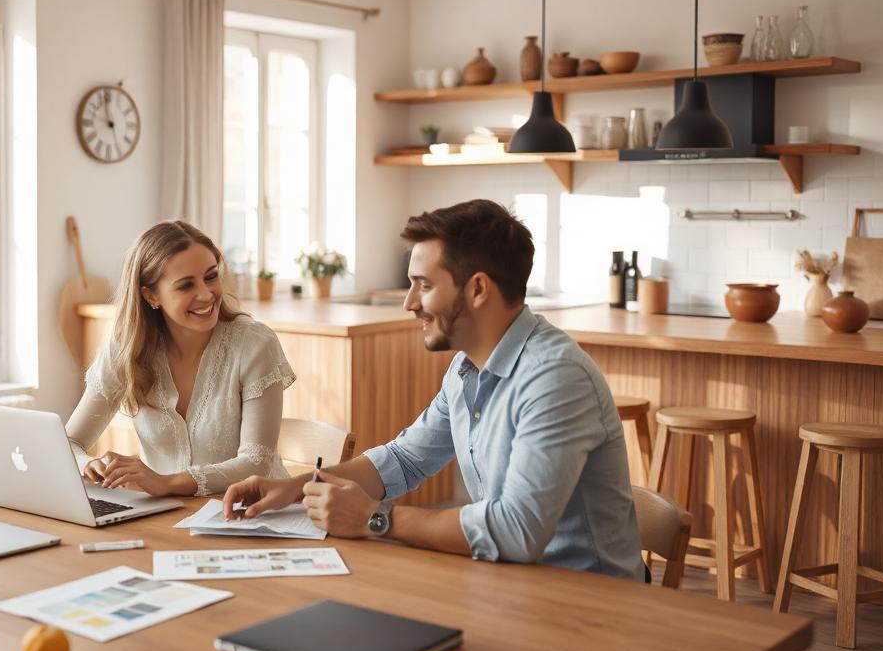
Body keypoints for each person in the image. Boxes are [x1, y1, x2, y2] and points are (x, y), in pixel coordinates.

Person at [223, 200, 645, 580]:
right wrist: (293, 488)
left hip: (590, 601)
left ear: (478, 289)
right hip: (512, 583)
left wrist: (375, 518)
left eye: (424, 285)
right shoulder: (465, 367)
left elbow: (518, 532)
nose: (409, 303)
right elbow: (405, 460)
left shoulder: (554, 378)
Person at [66, 220, 295, 497]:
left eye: (211, 276)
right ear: (151, 296)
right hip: (166, 518)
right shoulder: (126, 349)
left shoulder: (254, 344)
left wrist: (166, 483)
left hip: (254, 514)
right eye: (186, 286)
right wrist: (90, 464)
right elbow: (69, 442)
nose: (206, 294)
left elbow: (255, 463)